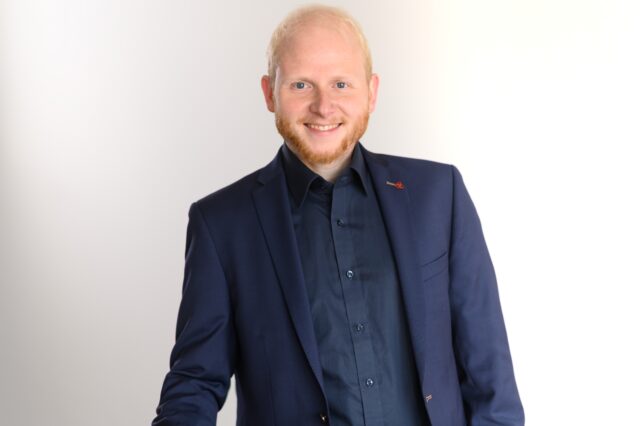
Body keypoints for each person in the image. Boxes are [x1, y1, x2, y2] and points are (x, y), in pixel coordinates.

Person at [152, 5, 524, 426]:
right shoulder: (221, 225)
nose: (323, 106)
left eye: (341, 84)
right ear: (269, 93)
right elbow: (195, 384)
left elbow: (490, 379)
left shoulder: (440, 196)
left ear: (371, 92)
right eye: (301, 84)